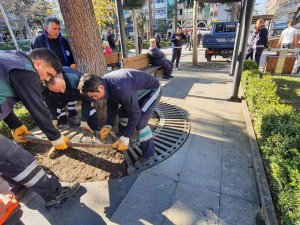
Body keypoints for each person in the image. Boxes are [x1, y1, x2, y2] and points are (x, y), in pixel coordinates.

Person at [0, 48, 79, 207]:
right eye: (49, 74)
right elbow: (36, 108)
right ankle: (54, 194)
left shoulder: (13, 58)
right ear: (38, 63)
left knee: (4, 158)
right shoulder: (25, 70)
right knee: (18, 158)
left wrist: (15, 124)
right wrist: (55, 137)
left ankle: (19, 185)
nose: (46, 79)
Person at [78, 69, 162, 168]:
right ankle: (122, 137)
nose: (95, 99)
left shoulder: (121, 88)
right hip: (136, 91)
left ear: (100, 88)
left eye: (94, 96)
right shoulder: (105, 83)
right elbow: (112, 104)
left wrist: (126, 137)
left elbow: (135, 114)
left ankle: (149, 154)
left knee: (140, 122)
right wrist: (108, 124)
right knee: (122, 112)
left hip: (152, 90)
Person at [42, 66, 100, 132]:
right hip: (64, 95)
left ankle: (96, 130)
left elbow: (87, 100)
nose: (62, 91)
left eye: (63, 86)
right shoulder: (44, 87)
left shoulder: (77, 78)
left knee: (90, 111)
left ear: (61, 76)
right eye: (56, 90)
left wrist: (84, 120)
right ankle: (63, 125)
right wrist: (54, 118)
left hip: (76, 90)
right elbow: (50, 102)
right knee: (57, 108)